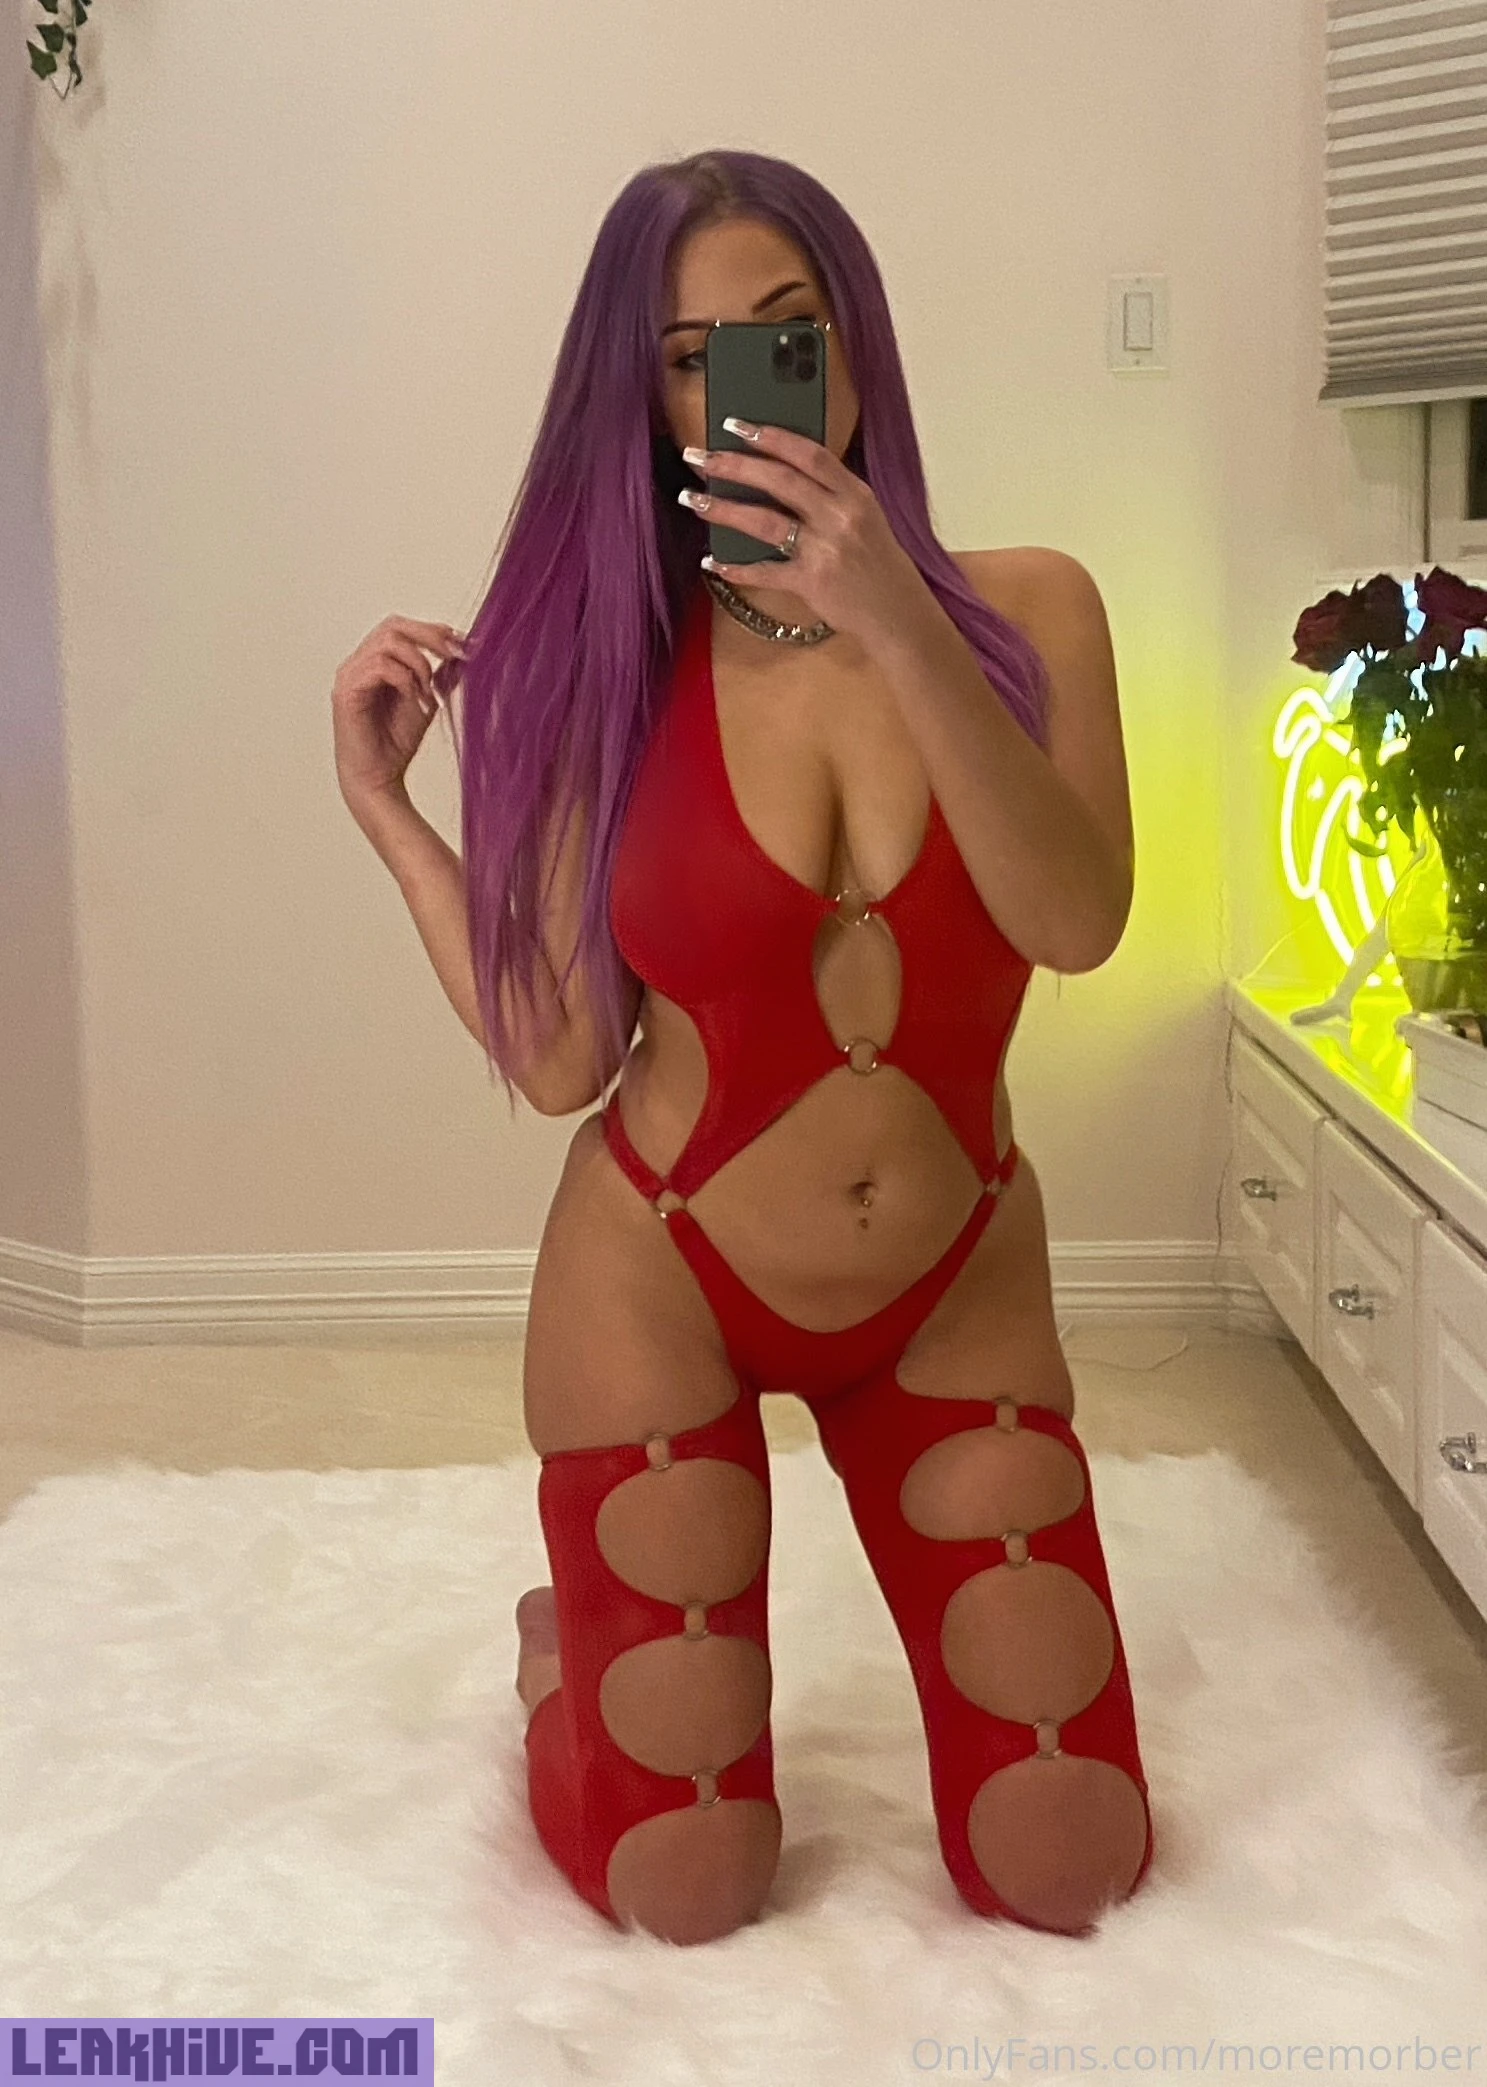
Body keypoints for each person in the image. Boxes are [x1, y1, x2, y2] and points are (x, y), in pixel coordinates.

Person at [333, 149, 1151, 1949]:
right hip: (665, 1275)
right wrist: (390, 815)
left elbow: (1074, 917)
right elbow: (562, 1056)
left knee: (1070, 1860)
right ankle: (562, 1656)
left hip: (950, 1278)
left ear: (855, 341)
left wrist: (897, 616)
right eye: (692, 357)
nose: (745, 387)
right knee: (683, 1885)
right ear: (643, 399)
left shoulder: (1030, 609)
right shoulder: (602, 654)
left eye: (786, 332)